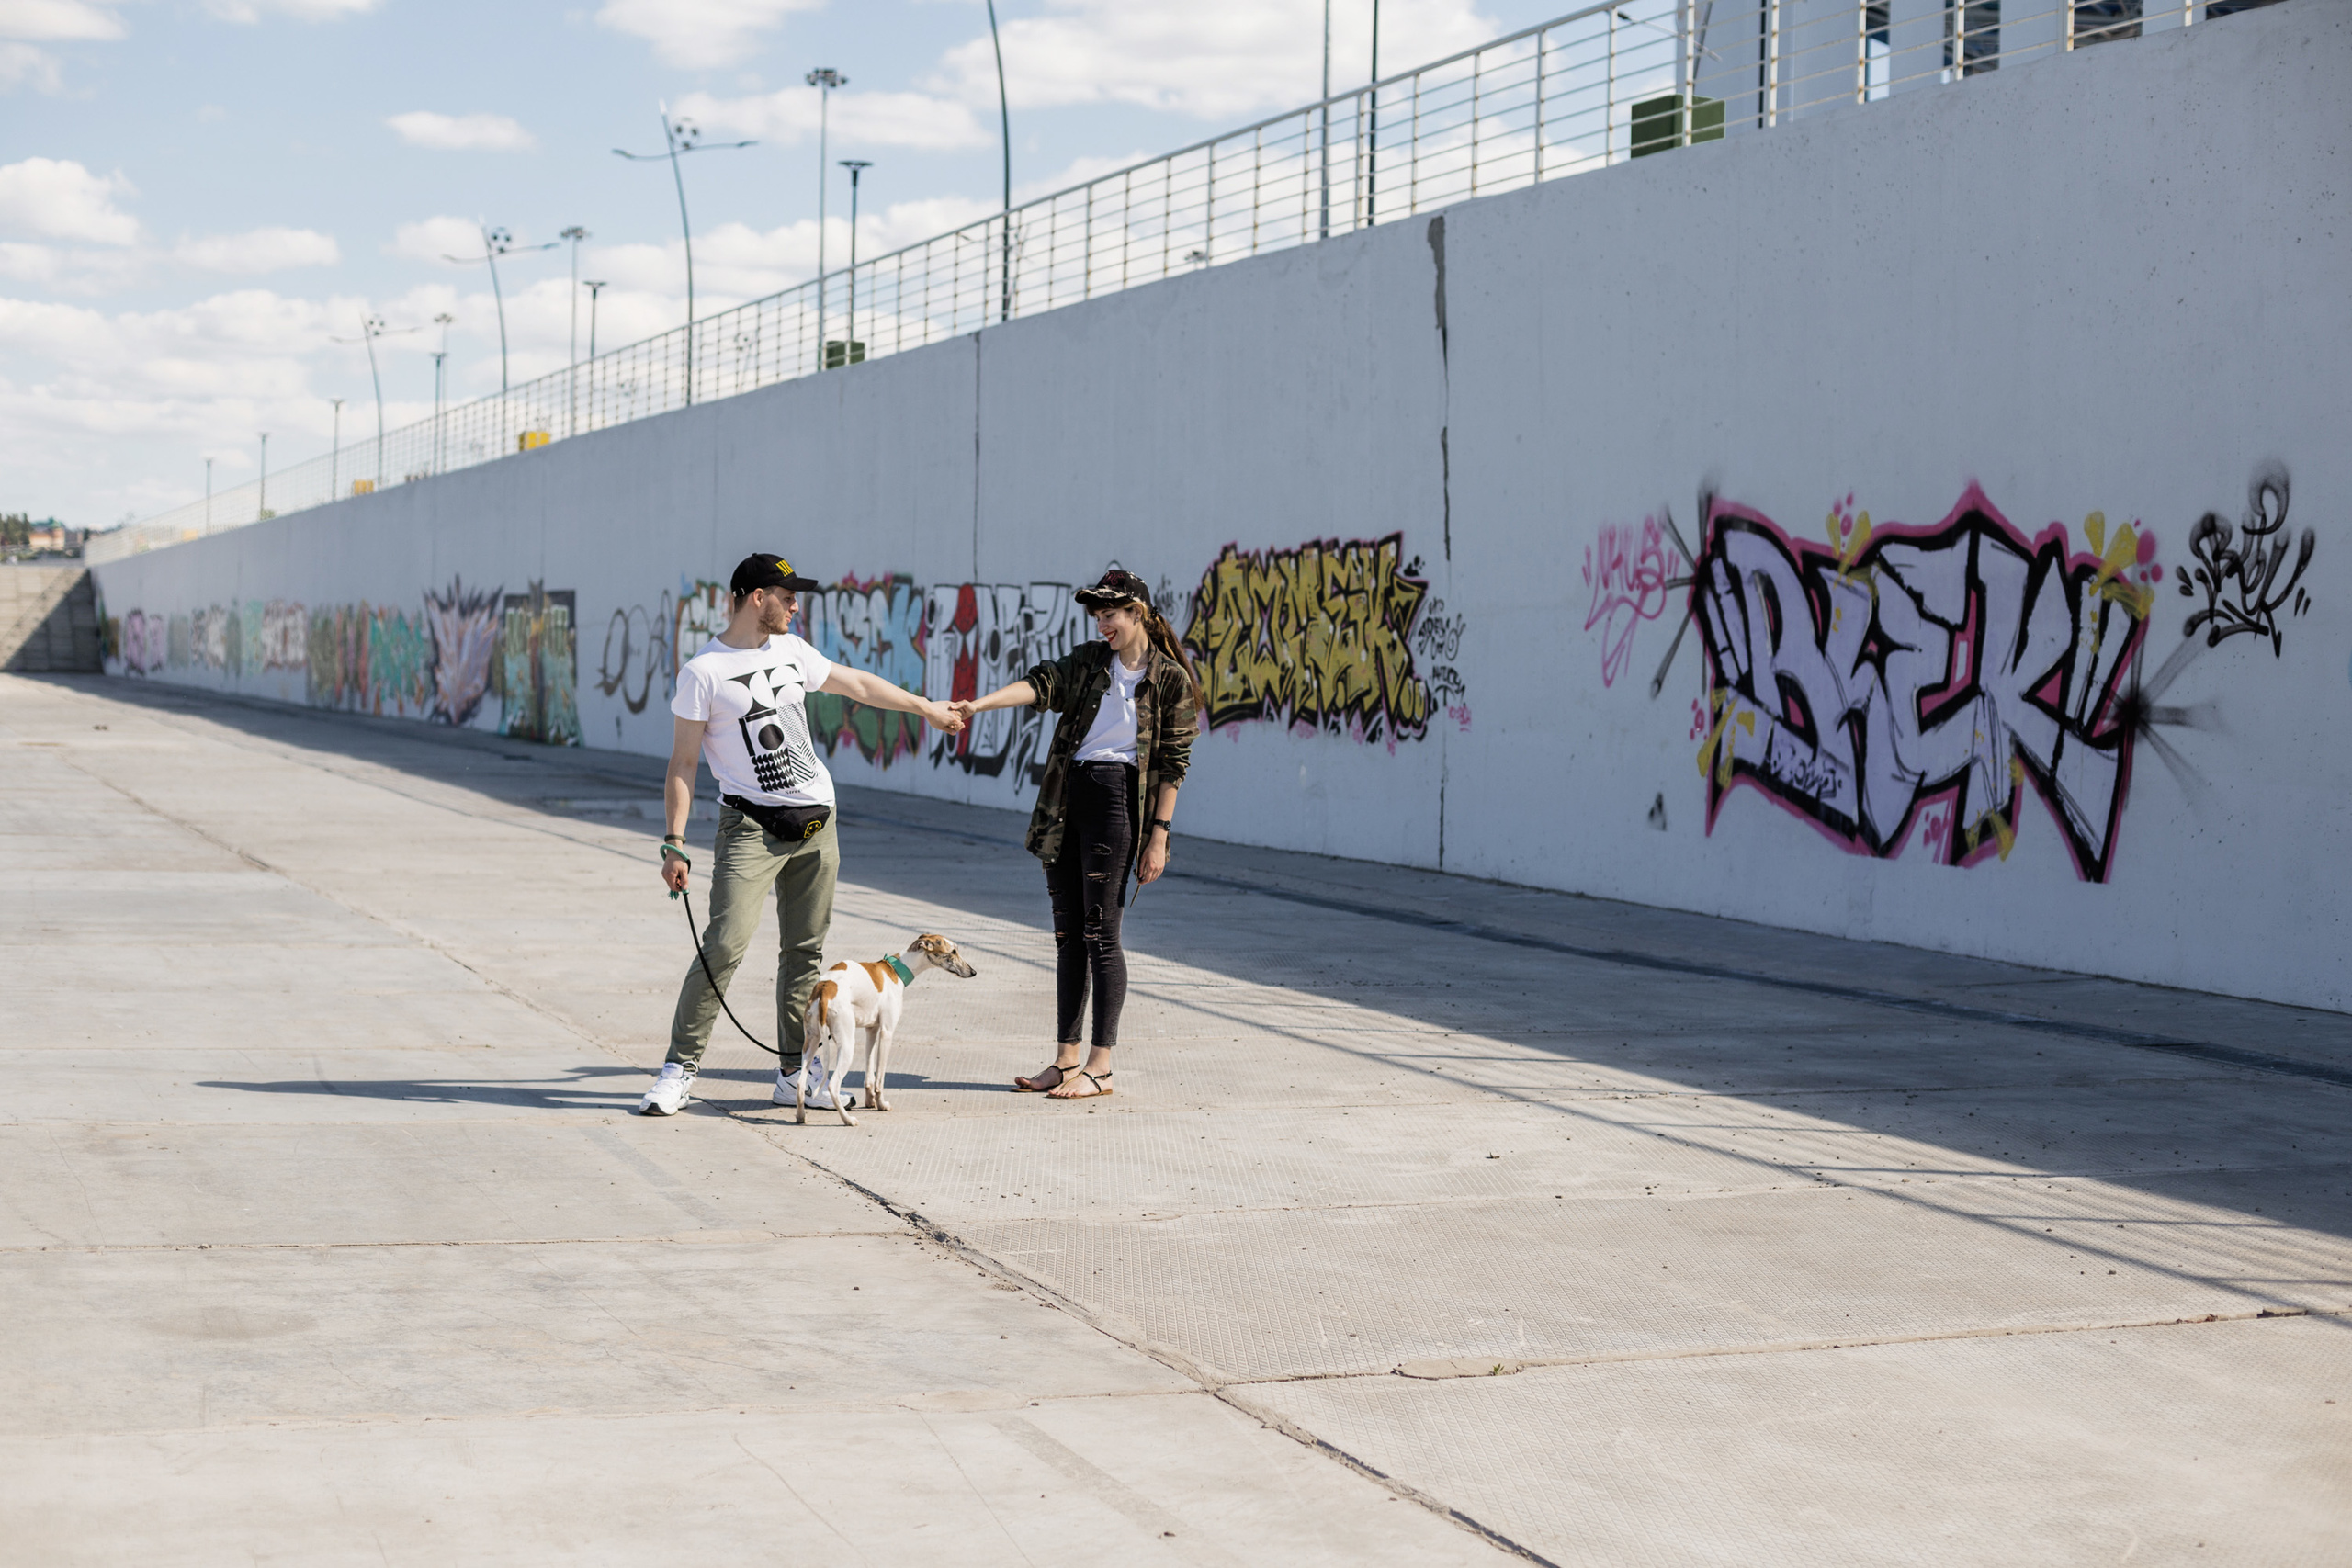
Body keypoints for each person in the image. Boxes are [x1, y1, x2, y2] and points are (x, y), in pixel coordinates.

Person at [641, 552, 964, 1116]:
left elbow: (855, 683)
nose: (795, 606)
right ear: (755, 597)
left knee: (803, 954)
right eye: (786, 596)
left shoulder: (792, 649)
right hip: (750, 827)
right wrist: (674, 840)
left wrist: (924, 709)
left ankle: (795, 1072)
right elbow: (683, 762)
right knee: (724, 946)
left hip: (817, 823)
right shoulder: (703, 671)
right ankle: (678, 1069)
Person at [952, 569, 1200, 1100]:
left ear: (1137, 613)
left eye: (1110, 614)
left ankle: (1101, 1066)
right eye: (1097, 616)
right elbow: (1041, 684)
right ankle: (1066, 1060)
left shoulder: (1170, 680)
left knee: (1101, 935)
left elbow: (1174, 764)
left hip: (1117, 800)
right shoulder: (1090, 662)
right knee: (1067, 937)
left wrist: (1159, 835)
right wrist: (978, 705)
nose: (1102, 624)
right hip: (1066, 799)